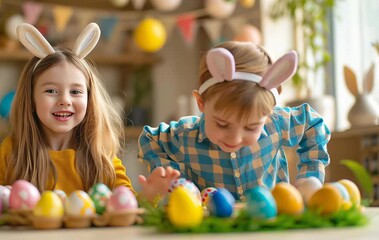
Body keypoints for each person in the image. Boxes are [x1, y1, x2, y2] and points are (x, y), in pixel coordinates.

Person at [137, 41, 330, 202]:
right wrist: (175, 179)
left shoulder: (276, 123)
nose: (235, 138)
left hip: (270, 229)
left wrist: (310, 177)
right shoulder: (185, 136)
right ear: (201, 103)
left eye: (251, 126)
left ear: (268, 113)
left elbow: (312, 124)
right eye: (222, 124)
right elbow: (149, 139)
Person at [0, 23, 134, 195]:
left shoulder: (101, 155)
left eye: (75, 91)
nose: (65, 100)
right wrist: (3, 199)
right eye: (51, 91)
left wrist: (152, 191)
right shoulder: (12, 151)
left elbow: (128, 203)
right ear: (31, 99)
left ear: (89, 100)